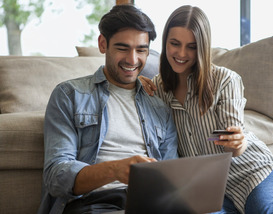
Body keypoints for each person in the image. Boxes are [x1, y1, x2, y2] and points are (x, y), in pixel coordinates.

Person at [140, 5, 273, 214]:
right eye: (175, 44)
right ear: (165, 43)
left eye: (192, 46)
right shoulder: (159, 88)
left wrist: (237, 143)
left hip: (254, 173)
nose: (181, 53)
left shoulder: (225, 80)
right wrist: (137, 87)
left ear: (203, 47)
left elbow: (234, 148)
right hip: (210, 189)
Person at [37, 4, 178, 214]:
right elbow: (56, 176)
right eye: (122, 48)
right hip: (92, 204)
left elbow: (171, 176)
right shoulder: (69, 95)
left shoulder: (159, 107)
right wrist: (115, 170)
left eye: (141, 50)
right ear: (103, 44)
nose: (132, 60)